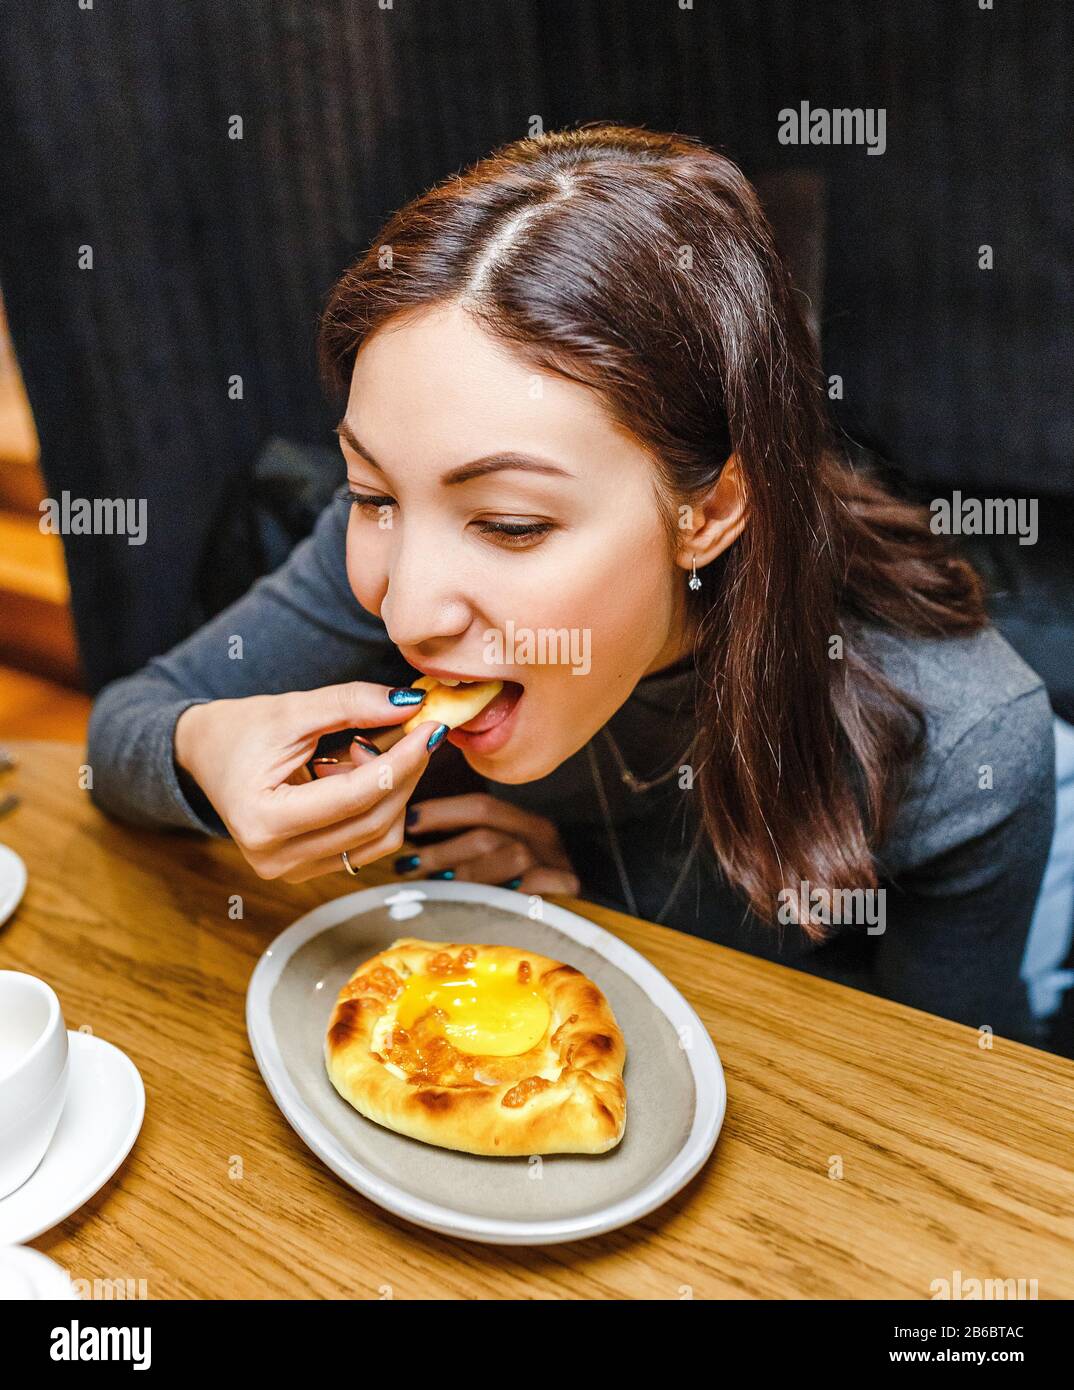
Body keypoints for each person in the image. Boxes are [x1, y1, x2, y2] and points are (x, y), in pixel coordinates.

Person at [88, 124, 1055, 1044]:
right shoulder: (392, 547)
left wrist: (595, 923)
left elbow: (943, 1092)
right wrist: (200, 749)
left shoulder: (969, 735)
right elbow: (120, 731)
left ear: (711, 510)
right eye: (371, 490)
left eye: (510, 524)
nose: (410, 607)